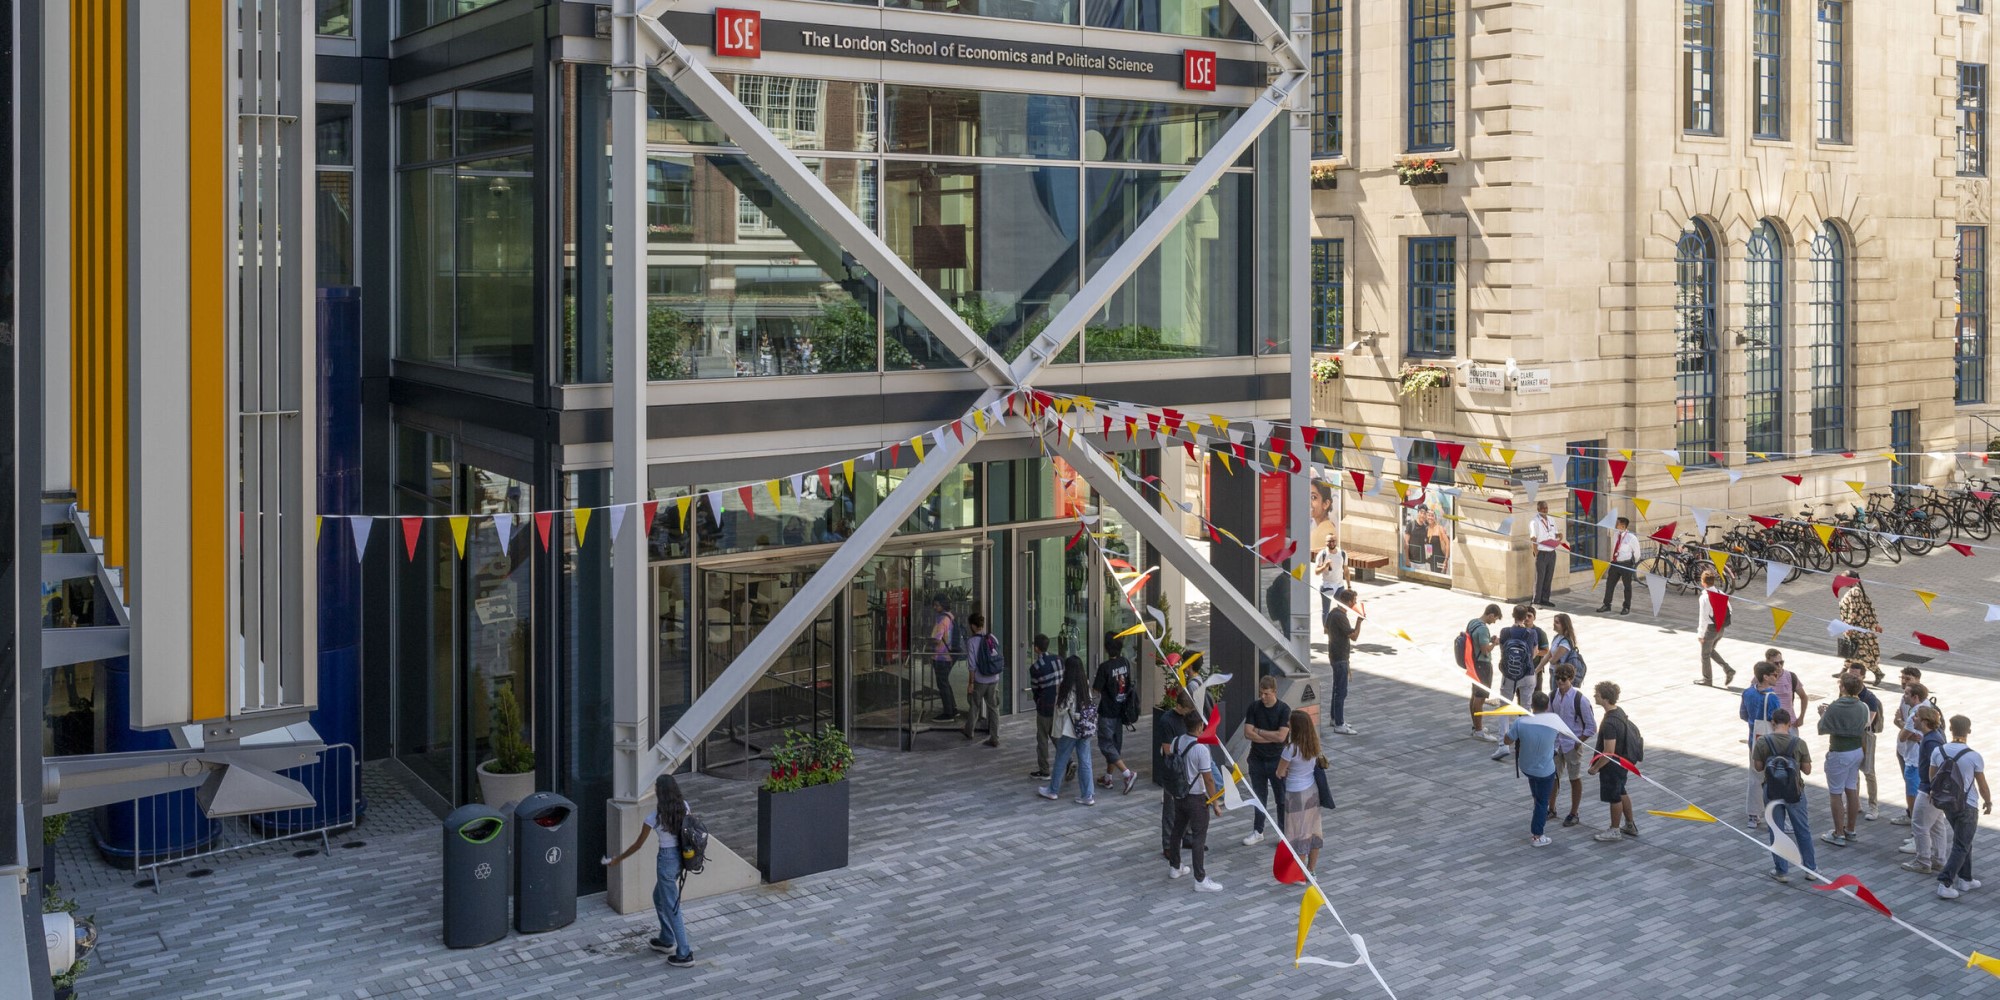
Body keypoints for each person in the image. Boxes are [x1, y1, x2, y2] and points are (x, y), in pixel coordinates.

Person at [603, 774, 699, 967]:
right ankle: (666, 938)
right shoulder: (685, 807)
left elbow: (637, 845)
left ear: (659, 793)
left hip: (666, 861)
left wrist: (617, 859)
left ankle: (684, 953)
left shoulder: (654, 818)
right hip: (681, 858)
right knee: (658, 897)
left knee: (672, 907)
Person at [1751, 709, 1817, 883]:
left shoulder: (1763, 741)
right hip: (1795, 791)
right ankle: (1810, 869)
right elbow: (1807, 770)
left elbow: (1758, 767)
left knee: (1776, 829)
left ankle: (1781, 871)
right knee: (1802, 830)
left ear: (1772, 723)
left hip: (1772, 791)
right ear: (1789, 724)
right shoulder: (1799, 743)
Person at [1163, 708, 1224, 892]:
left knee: (1177, 830)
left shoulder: (1176, 741)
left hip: (1179, 795)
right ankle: (1200, 879)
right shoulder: (1201, 749)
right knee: (1199, 837)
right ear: (1199, 727)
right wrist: (1215, 802)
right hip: (1197, 798)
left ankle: (1175, 867)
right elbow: (1208, 779)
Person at [1933, 715, 1992, 899]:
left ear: (1950, 729)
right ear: (1969, 730)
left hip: (1947, 803)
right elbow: (1982, 785)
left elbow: (1932, 777)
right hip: (1968, 805)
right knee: (1961, 844)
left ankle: (1966, 879)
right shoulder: (1974, 756)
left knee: (1964, 840)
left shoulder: (1938, 751)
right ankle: (1945, 882)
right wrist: (1988, 801)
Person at [1815, 674, 1872, 847]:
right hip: (1857, 751)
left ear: (1843, 687)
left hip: (1839, 752)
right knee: (1851, 789)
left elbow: (1822, 728)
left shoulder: (1835, 706)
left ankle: (1838, 833)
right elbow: (1865, 725)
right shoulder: (1863, 706)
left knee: (1835, 793)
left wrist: (1823, 714)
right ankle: (1851, 830)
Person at [1490, 604, 1548, 762]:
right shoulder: (1532, 633)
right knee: (1526, 709)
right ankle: (1524, 744)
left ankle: (1503, 745)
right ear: (1525, 617)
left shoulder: (1505, 632)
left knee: (1504, 709)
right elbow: (1534, 653)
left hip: (1509, 675)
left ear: (1513, 615)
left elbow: (1503, 651)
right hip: (1528, 674)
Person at [1240, 675, 1292, 846]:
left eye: (1266, 694)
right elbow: (1248, 733)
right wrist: (1271, 737)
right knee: (1259, 797)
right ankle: (1258, 830)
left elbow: (1281, 737)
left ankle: (1282, 832)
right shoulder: (1254, 707)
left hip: (1277, 761)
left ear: (1274, 692)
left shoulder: (1284, 709)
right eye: (1261, 693)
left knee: (1281, 798)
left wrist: (1259, 732)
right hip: (1257, 760)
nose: (1263, 697)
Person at [1038, 657, 1097, 805]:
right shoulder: (1085, 684)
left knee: (1061, 758)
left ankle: (1053, 790)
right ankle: (1088, 795)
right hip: (1085, 728)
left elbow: (1061, 709)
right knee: (1085, 760)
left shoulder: (1067, 686)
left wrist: (1059, 694)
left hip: (1070, 730)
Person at [1904, 704, 1954, 876]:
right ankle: (1939, 860)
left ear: (1925, 721)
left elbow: (1940, 766)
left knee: (1919, 825)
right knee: (1937, 826)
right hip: (1934, 789)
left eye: (1916, 716)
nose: (1913, 718)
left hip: (1929, 789)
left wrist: (1934, 788)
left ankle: (1923, 861)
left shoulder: (1931, 741)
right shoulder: (1933, 736)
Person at [1545, 662, 1596, 828]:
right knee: (1552, 777)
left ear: (1571, 679)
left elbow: (1591, 727)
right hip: (1556, 743)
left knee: (1574, 778)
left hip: (1572, 745)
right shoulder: (1553, 696)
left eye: (1564, 679)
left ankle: (1574, 813)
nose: (1560, 681)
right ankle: (1551, 808)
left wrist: (1578, 742)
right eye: (1557, 678)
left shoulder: (1580, 700)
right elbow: (1549, 718)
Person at [1274, 709, 1325, 871]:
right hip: (1312, 791)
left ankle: (1299, 872)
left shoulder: (1290, 749)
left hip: (1295, 794)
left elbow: (1280, 772)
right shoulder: (1314, 745)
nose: (1287, 723)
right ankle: (1311, 870)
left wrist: (1286, 771)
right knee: (1313, 830)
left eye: (1290, 722)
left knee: (1298, 833)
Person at [1589, 681, 1639, 842]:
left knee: (1614, 796)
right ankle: (1630, 825)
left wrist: (1595, 768)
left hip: (1613, 766)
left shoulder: (1610, 723)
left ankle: (1614, 830)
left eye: (1597, 694)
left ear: (1605, 698)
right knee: (1621, 791)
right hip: (1623, 762)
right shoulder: (1619, 711)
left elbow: (1609, 752)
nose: (1594, 696)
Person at [1510, 692, 1560, 847]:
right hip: (1545, 770)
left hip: (1527, 766)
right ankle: (1537, 835)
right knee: (1542, 802)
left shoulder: (1521, 722)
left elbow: (1507, 740)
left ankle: (1536, 809)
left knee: (1537, 796)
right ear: (1547, 706)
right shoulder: (1554, 721)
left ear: (1531, 705)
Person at [1091, 633, 1140, 795]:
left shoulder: (1105, 667)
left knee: (1106, 744)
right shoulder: (1125, 662)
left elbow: (1096, 689)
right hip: (1121, 710)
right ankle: (1108, 777)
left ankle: (1127, 774)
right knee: (1114, 745)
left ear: (1106, 648)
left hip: (1107, 711)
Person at [1839, 661, 1886, 821]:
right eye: (1850, 674)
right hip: (1850, 736)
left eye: (1855, 676)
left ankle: (1873, 806)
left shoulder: (1869, 697)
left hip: (1865, 736)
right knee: (1852, 770)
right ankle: (1855, 803)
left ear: (1863, 678)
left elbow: (1868, 722)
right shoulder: (1844, 692)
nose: (1852, 678)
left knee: (1868, 771)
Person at [1740, 662, 1782, 828]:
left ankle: (1753, 815)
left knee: (1755, 777)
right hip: (1770, 742)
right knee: (1775, 780)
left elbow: (1743, 715)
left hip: (1754, 740)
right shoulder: (1772, 698)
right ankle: (1776, 818)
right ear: (1766, 677)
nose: (1777, 677)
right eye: (1774, 675)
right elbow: (1777, 722)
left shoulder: (1747, 692)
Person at [1461, 604, 1503, 743]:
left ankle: (1476, 726)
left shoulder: (1473, 622)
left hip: (1473, 663)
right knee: (1480, 698)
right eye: (1495, 618)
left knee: (1474, 695)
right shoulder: (1483, 629)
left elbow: (1475, 641)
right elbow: (1485, 650)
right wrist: (1494, 643)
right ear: (1490, 615)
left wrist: (1488, 641)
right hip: (1482, 665)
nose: (1494, 622)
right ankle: (1479, 731)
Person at [1893, 679, 1932, 827]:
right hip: (1922, 758)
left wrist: (1899, 721)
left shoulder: (1913, 715)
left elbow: (1903, 737)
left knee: (1912, 793)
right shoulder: (1928, 707)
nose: (1904, 696)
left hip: (1913, 760)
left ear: (1915, 697)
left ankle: (1916, 825)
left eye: (1906, 694)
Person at [962, 613, 1004, 747]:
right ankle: (995, 737)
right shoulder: (992, 637)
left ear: (973, 626)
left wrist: (970, 683)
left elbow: (972, 665)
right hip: (994, 678)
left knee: (974, 705)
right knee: (994, 708)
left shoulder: (971, 642)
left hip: (980, 680)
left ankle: (969, 731)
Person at [1324, 588, 1362, 736]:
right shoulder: (1341, 616)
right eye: (1354, 601)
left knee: (1336, 689)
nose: (1355, 604)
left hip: (1334, 655)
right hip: (1340, 658)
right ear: (1349, 602)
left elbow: (1326, 629)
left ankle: (1335, 718)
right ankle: (1339, 724)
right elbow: (1354, 636)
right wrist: (1359, 621)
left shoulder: (1333, 613)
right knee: (1341, 691)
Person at [1835, 581, 1886, 686]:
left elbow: (1853, 611)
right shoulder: (1859, 590)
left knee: (1863, 654)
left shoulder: (1855, 592)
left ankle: (1878, 673)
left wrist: (1849, 626)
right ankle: (1843, 671)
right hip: (1858, 628)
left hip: (1857, 630)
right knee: (1850, 651)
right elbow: (1870, 609)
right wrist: (1875, 623)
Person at [1028, 634, 1063, 778]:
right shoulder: (1059, 659)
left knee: (1042, 738)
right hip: (1059, 705)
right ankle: (1068, 761)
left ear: (1036, 648)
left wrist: (1038, 702)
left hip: (1045, 706)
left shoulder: (1035, 668)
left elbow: (1036, 689)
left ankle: (1044, 770)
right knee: (1056, 735)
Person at [1695, 569, 1735, 688]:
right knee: (1710, 650)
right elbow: (1730, 609)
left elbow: (1703, 617)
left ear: (1703, 582)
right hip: (1720, 628)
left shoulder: (1704, 597)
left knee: (1705, 655)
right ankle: (1728, 669)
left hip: (1710, 629)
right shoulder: (1720, 592)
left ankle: (1707, 679)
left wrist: (1700, 634)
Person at [1310, 480, 1344, 618]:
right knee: (1331, 610)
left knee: (1329, 610)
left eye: (1313, 497)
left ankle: (1328, 626)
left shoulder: (1319, 533)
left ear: (1326, 504)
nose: (1309, 502)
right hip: (1331, 583)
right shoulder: (1327, 527)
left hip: (1334, 583)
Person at [1598, 516, 1640, 614]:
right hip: (1615, 563)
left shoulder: (1631, 538)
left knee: (1627, 586)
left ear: (1623, 526)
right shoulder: (1616, 534)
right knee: (1609, 584)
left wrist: (1631, 563)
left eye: (1617, 523)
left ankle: (1626, 607)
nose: (1615, 525)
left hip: (1626, 564)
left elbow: (1637, 553)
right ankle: (1607, 605)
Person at [928, 598, 960, 722]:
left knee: (942, 684)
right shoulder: (951, 617)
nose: (934, 607)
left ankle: (948, 713)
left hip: (941, 656)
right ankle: (953, 709)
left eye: (937, 605)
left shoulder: (942, 619)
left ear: (943, 605)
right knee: (945, 682)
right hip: (950, 655)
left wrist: (928, 642)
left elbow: (937, 639)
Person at [1529, 501, 1561, 606]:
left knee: (1548, 577)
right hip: (1542, 552)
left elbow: (1555, 534)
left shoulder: (1551, 519)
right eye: (1543, 508)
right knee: (1540, 578)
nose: (1545, 510)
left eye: (1546, 508)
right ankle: (1536, 600)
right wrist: (1536, 552)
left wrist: (1559, 537)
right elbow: (1533, 538)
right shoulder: (1534, 522)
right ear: (1538, 509)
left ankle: (1545, 599)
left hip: (1551, 552)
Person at [1767, 648, 1809, 726]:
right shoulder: (1761, 677)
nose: (1779, 666)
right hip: (1769, 724)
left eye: (1781, 662)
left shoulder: (1790, 676)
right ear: (1768, 663)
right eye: (1776, 663)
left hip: (1789, 724)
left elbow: (1804, 697)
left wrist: (1801, 717)